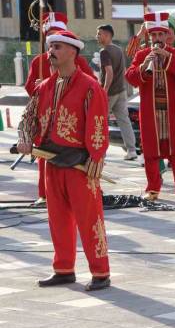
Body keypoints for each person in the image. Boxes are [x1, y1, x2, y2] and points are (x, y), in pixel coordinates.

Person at [16, 30, 111, 291]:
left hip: (80, 163)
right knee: (57, 219)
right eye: (50, 47)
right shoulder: (44, 86)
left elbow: (99, 122)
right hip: (51, 160)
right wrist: (25, 138)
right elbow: (28, 118)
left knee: (89, 218)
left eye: (57, 47)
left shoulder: (90, 86)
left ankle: (101, 272)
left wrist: (96, 155)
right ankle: (64, 268)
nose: (51, 52)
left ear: (72, 51)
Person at [25, 12, 96, 207]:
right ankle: (44, 193)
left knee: (75, 162)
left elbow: (93, 85)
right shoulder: (38, 61)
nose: (53, 48)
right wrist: (38, 86)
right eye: (51, 42)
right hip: (46, 118)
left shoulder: (78, 62)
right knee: (44, 156)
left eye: (58, 41)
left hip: (71, 120)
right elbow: (29, 87)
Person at [125, 11, 175, 202]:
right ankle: (153, 188)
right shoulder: (142, 54)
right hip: (150, 112)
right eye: (153, 35)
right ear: (150, 36)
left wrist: (167, 58)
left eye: (160, 34)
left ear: (167, 35)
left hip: (172, 112)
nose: (157, 38)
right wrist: (143, 67)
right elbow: (130, 77)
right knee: (151, 152)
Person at [96, 24, 137, 161]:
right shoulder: (119, 50)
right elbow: (123, 70)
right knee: (124, 120)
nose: (97, 36)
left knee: (101, 122)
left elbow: (109, 73)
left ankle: (101, 153)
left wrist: (104, 90)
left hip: (110, 92)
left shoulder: (104, 51)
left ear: (107, 35)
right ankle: (132, 150)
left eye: (99, 33)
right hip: (121, 90)